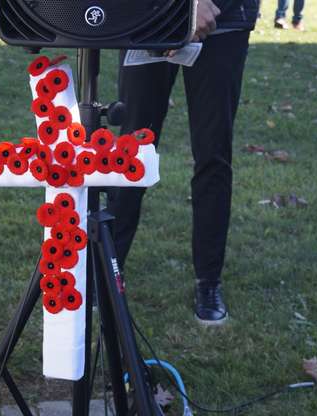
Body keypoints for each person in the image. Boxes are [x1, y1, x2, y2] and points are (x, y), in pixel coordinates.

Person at [107, 0, 259, 326]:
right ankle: (109, 268)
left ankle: (208, 281)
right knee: (133, 149)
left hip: (223, 19)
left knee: (213, 152)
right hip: (149, 16)